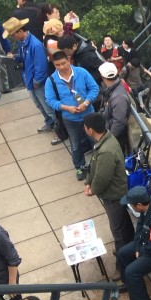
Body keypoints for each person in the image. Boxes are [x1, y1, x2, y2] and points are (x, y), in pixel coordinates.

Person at [82, 113, 135, 253]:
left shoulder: (106, 151)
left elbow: (102, 177)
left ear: (90, 130)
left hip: (114, 196)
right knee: (123, 224)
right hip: (114, 193)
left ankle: (123, 258)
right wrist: (88, 181)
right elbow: (95, 164)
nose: (84, 128)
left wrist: (93, 189)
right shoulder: (105, 139)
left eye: (85, 127)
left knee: (118, 229)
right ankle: (130, 247)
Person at [44, 51, 99, 181]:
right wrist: (66, 108)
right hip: (70, 118)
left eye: (63, 63)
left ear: (69, 60)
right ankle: (80, 166)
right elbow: (50, 100)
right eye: (57, 65)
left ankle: (98, 166)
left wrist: (86, 102)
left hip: (88, 115)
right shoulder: (51, 80)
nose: (62, 67)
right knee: (75, 144)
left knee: (95, 142)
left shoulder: (82, 72)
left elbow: (94, 88)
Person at [2, 17, 55, 137]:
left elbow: (41, 66)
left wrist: (37, 81)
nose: (13, 38)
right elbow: (24, 58)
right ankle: (49, 123)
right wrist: (15, 58)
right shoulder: (22, 43)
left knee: (49, 108)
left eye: (13, 35)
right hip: (29, 80)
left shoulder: (35, 45)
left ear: (20, 31)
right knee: (39, 105)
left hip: (37, 83)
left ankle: (60, 130)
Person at [99, 62, 130, 155]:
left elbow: (119, 121)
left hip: (115, 136)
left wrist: (109, 139)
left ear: (102, 76)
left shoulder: (118, 97)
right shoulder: (114, 90)